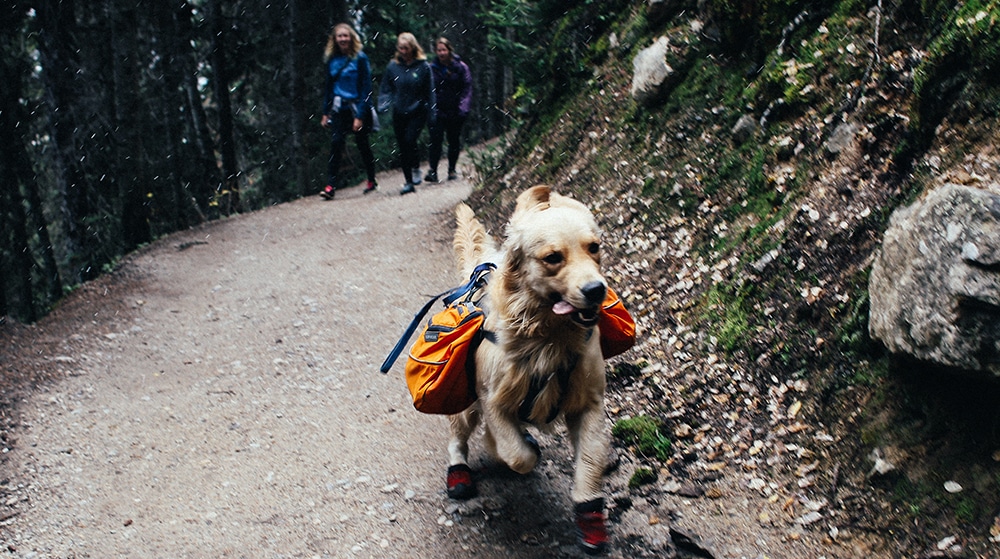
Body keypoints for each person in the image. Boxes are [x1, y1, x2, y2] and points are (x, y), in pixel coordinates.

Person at [320, 23, 377, 199]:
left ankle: (371, 179)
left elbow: (366, 88)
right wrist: (325, 112)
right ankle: (330, 186)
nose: (343, 39)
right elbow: (329, 87)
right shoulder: (332, 60)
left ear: (351, 37)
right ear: (335, 39)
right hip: (339, 108)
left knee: (362, 144)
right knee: (336, 143)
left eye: (346, 36)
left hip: (357, 107)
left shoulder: (360, 58)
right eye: (340, 36)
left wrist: (360, 116)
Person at [378, 32, 435, 195]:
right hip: (399, 111)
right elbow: (385, 88)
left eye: (406, 48)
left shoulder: (423, 66)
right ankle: (408, 181)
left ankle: (415, 167)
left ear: (413, 47)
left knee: (410, 140)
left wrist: (432, 111)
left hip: (418, 110)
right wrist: (384, 104)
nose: (403, 51)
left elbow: (430, 91)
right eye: (400, 48)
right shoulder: (392, 66)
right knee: (403, 145)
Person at [425, 37, 472, 183]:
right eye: (439, 50)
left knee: (453, 140)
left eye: (444, 50)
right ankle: (433, 170)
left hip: (455, 110)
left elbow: (467, 87)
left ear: (449, 50)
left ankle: (451, 169)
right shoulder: (431, 69)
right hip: (438, 110)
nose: (441, 53)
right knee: (435, 140)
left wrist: (463, 107)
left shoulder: (461, 67)